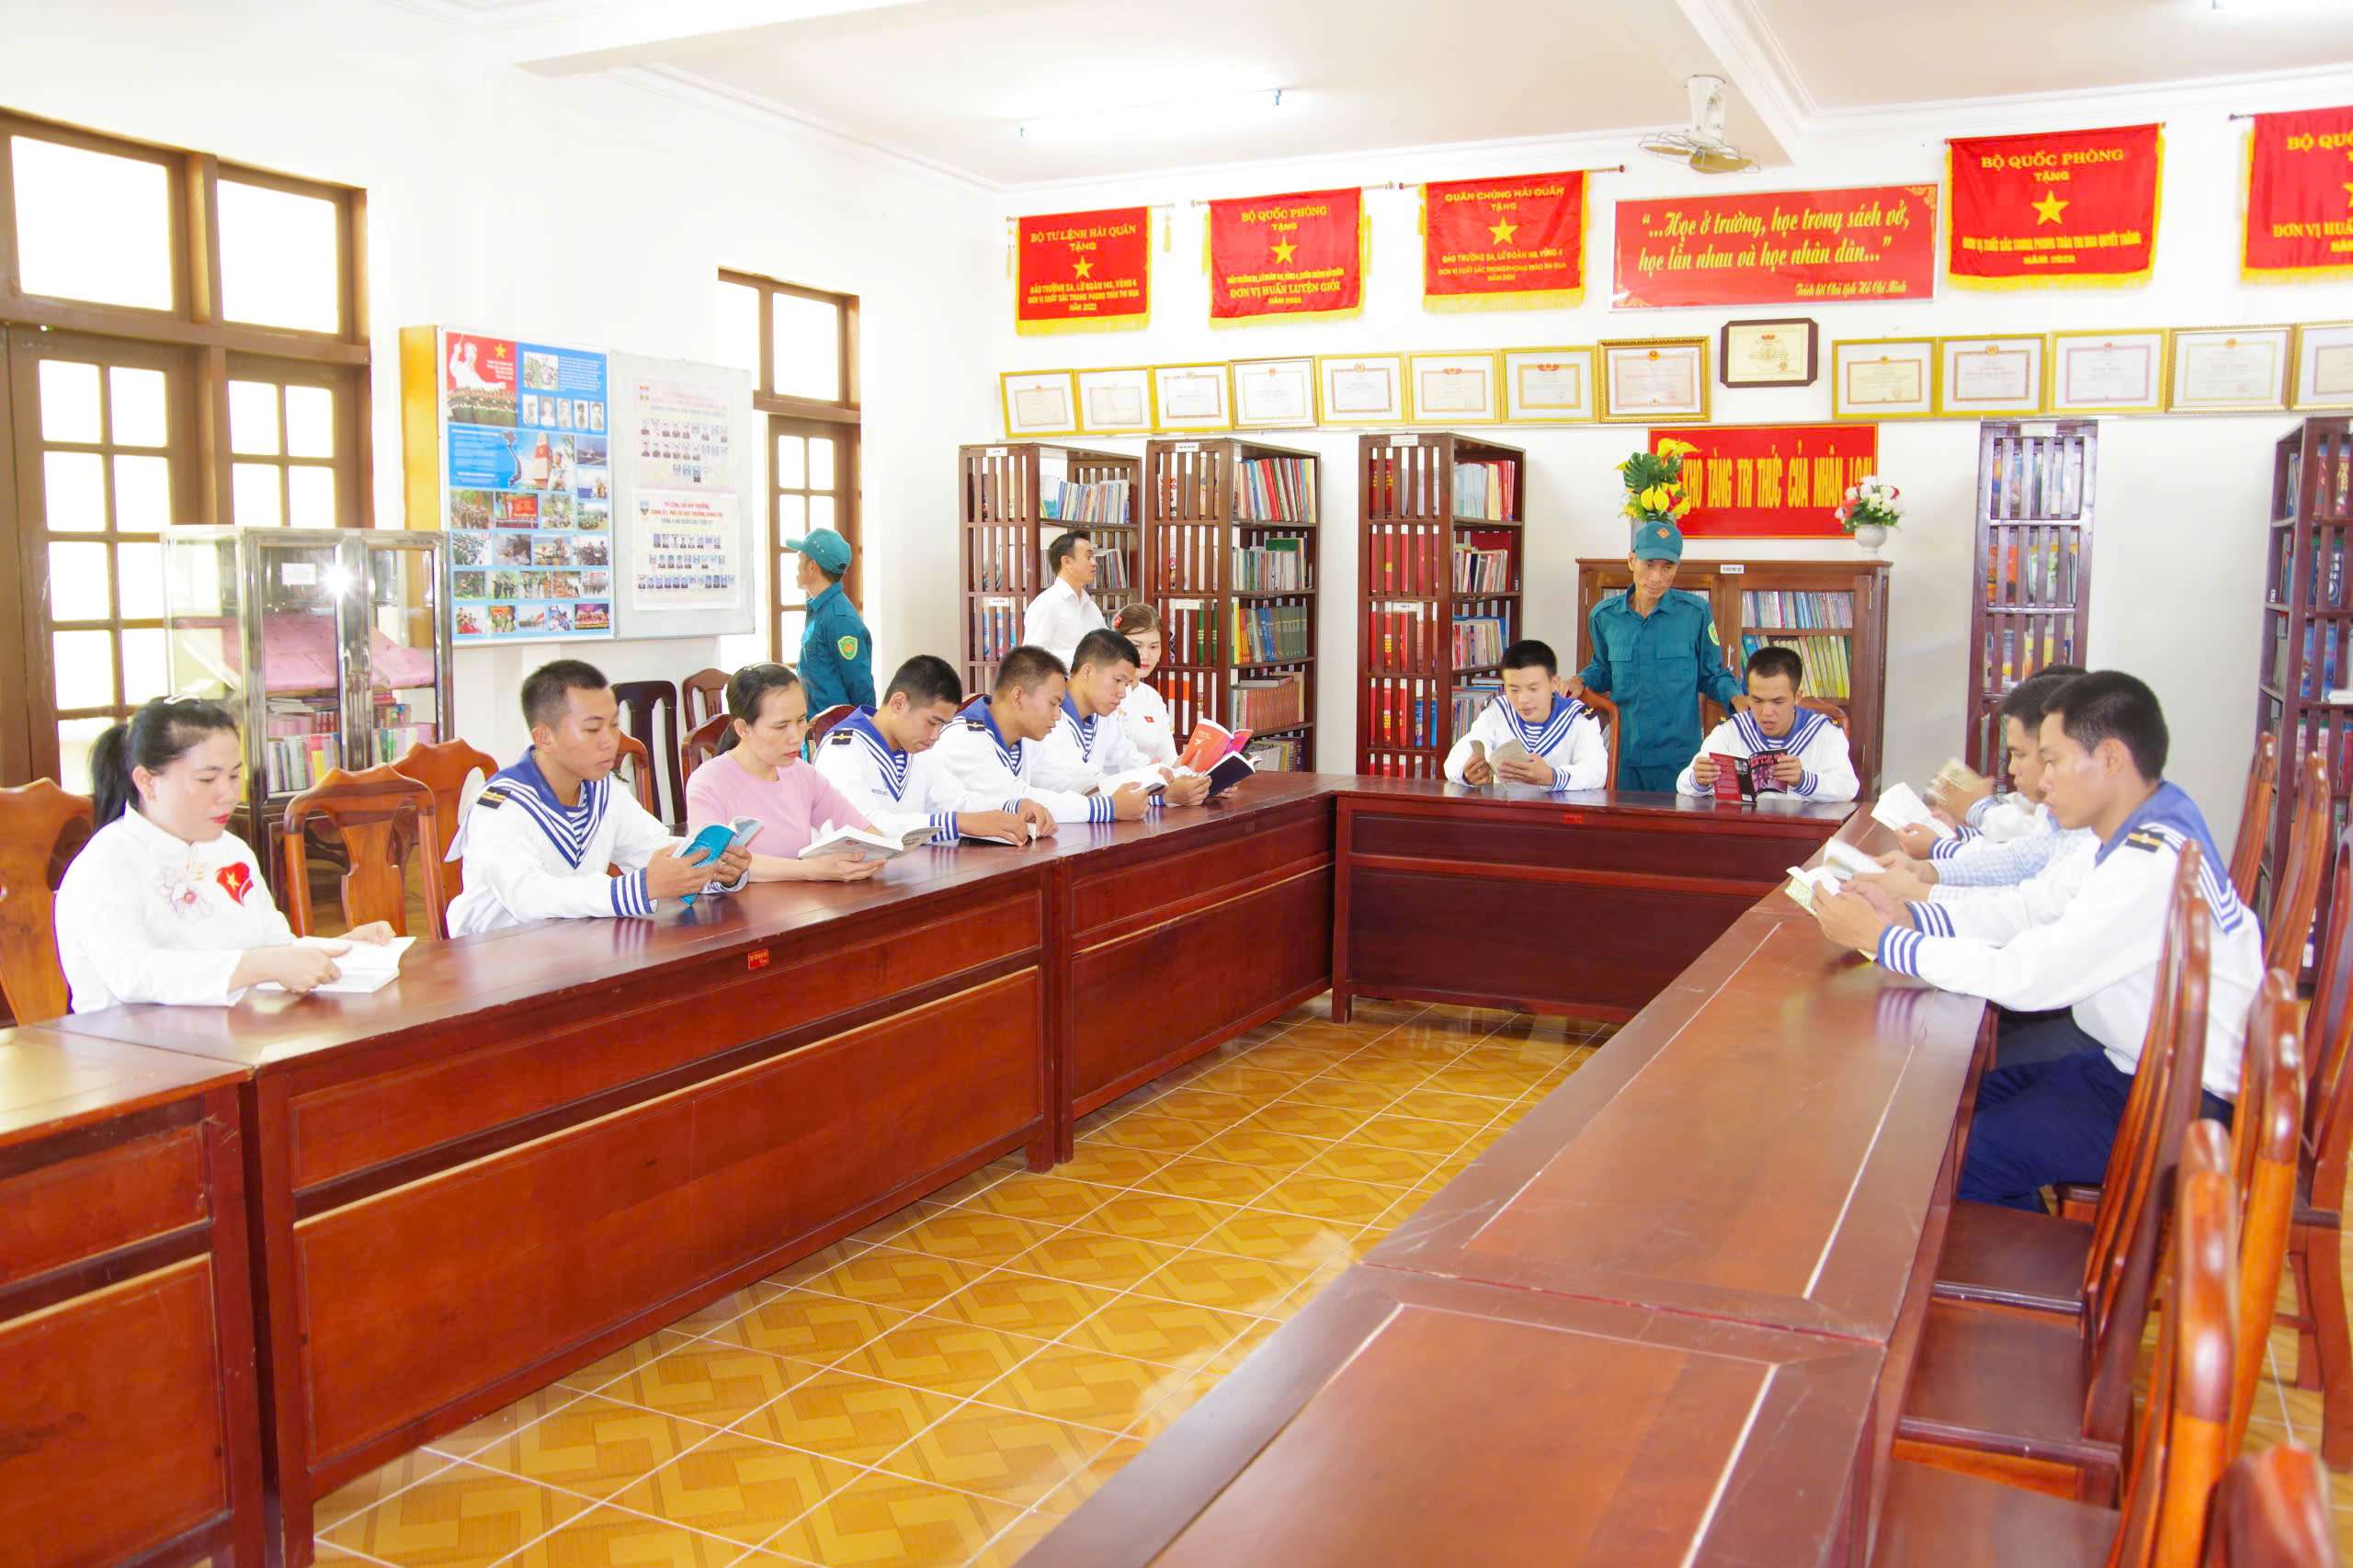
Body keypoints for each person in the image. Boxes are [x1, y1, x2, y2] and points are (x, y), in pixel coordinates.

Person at [1811, 672, 2264, 1212]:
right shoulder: (2144, 826)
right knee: (1941, 1112)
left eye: (2053, 761)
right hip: (2131, 1068)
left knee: (1945, 1160)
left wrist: (1887, 941)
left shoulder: (2148, 863)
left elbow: (2027, 977)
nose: (2043, 782)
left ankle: (2027, 1263)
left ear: (2111, 759)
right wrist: (1910, 918)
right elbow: (2032, 912)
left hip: (2182, 1105)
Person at [53, 696, 391, 1010]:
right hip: (135, 1048)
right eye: (207, 780)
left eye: (233, 776)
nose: (228, 794)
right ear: (147, 781)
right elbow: (132, 975)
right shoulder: (105, 863)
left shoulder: (231, 850)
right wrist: (261, 965)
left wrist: (340, 949)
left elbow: (274, 946)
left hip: (231, 1035)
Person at [443, 660, 751, 936]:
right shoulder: (500, 807)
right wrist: (639, 887)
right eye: (592, 729)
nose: (610, 741)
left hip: (573, 948)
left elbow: (653, 849)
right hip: (496, 957)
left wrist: (713, 868)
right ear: (544, 737)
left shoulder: (604, 790)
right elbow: (527, 895)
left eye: (614, 725)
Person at [1867, 666, 2091, 899]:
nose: (2011, 769)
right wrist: (1926, 869)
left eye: (2022, 755)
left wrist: (1926, 877)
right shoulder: (2061, 812)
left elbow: (2029, 903)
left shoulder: (2090, 835)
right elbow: (2019, 860)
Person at [1568, 518, 1743, 792]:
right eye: (1649, 565)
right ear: (1632, 560)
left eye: (1667, 567)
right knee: (1623, 820)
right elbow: (1603, 670)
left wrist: (1736, 698)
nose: (1657, 577)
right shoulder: (1604, 616)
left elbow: (1711, 674)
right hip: (1624, 756)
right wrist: (1579, 681)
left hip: (1679, 759)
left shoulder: (1695, 613)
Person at [810, 654, 1047, 846]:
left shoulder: (914, 748)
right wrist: (956, 823)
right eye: (932, 722)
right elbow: (864, 827)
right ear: (899, 704)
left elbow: (956, 801)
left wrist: (1013, 807)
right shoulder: (842, 749)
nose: (936, 735)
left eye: (942, 726)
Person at [680, 663, 883, 883]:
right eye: (780, 726)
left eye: (801, 720)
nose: (796, 737)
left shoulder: (802, 774)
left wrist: (876, 852)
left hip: (804, 902)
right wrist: (811, 869)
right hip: (741, 905)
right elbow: (713, 862)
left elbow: (867, 832)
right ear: (743, 728)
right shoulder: (709, 782)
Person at [930, 645, 1154, 825]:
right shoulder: (965, 738)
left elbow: (1065, 779)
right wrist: (1108, 807)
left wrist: (1142, 790)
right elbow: (1017, 797)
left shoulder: (1024, 738)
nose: (1058, 715)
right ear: (1018, 697)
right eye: (1053, 703)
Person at [1032, 629, 1211, 802]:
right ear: (1087, 671)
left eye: (1126, 684)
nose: (1123, 693)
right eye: (1117, 680)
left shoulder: (1103, 719)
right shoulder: (1044, 715)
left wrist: (1192, 780)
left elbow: (1133, 762)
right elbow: (1072, 787)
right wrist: (1161, 793)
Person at [1676, 645, 1859, 802]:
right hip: (1742, 828)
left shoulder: (1824, 733)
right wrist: (1699, 779)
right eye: (1757, 700)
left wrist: (1803, 780)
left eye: (1778, 702)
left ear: (1797, 697)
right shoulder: (1731, 731)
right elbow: (1683, 784)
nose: (1766, 712)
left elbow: (1848, 788)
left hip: (1803, 830)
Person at [1444, 639, 1607, 790]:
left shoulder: (1578, 717)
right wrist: (1466, 774)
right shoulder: (1499, 711)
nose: (1523, 700)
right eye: (1514, 689)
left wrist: (1551, 777)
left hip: (1561, 810)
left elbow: (1596, 772)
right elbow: (1454, 760)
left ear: (1554, 683)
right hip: (1506, 809)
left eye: (1533, 689)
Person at [783, 528, 875, 715]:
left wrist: (867, 728)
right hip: (814, 726)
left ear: (812, 567)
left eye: (800, 559)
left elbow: (860, 686)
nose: (796, 567)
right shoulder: (820, 610)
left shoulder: (839, 619)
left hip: (833, 729)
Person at [1022, 530, 1105, 667]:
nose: (1094, 563)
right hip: (1062, 680)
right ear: (1067, 562)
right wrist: (1083, 659)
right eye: (1088, 557)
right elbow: (1031, 656)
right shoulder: (1046, 604)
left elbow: (1106, 646)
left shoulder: (1091, 606)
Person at [1109, 602, 1178, 767]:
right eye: (1136, 646)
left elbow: (1170, 759)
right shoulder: (1101, 694)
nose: (1145, 656)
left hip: (1154, 779)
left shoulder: (1152, 698)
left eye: (1154, 647)